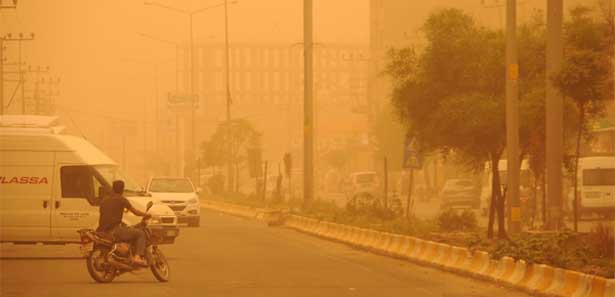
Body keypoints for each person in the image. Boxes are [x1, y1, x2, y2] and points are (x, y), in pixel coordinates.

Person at [97, 180, 151, 266]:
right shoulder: (121, 199)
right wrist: (146, 214)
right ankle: (137, 257)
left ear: (113, 188)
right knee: (140, 234)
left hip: (102, 230)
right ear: (122, 189)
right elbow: (135, 212)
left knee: (127, 228)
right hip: (115, 230)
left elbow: (107, 215)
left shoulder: (104, 200)